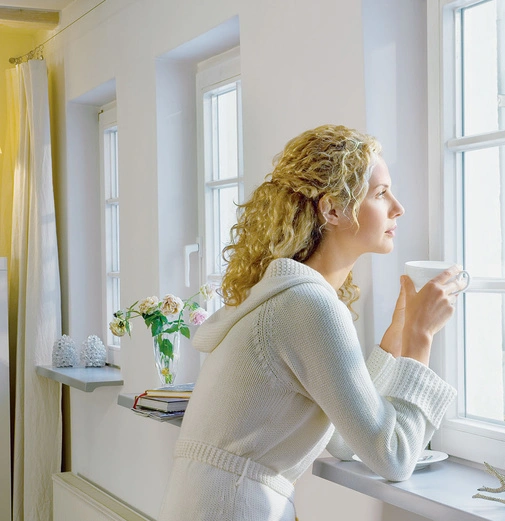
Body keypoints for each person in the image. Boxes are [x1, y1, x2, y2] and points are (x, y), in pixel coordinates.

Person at [159, 125, 460, 521]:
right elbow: (395, 456)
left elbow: (345, 439)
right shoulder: (308, 305)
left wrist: (395, 339)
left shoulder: (288, 298)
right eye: (381, 193)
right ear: (332, 210)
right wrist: (421, 337)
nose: (398, 208)